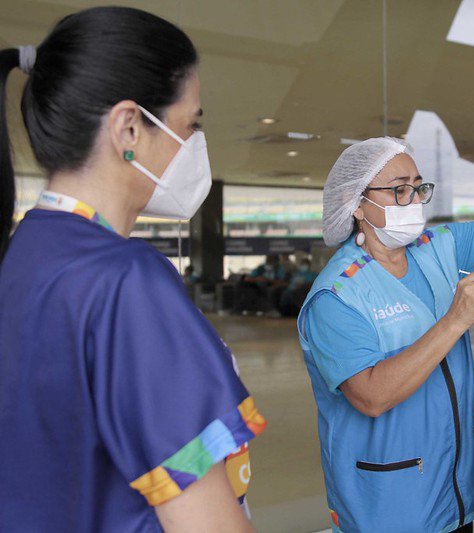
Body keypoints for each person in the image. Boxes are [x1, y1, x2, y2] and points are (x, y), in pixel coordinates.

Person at [0, 7, 265, 532]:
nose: (193, 145)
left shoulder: (23, 255)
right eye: (190, 124)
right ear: (128, 127)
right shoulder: (126, 282)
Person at [297, 137, 474, 532]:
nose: (413, 200)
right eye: (399, 190)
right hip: (389, 506)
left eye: (418, 187)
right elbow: (371, 395)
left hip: (455, 497)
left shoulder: (439, 247)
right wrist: (454, 321)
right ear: (357, 203)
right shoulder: (337, 297)